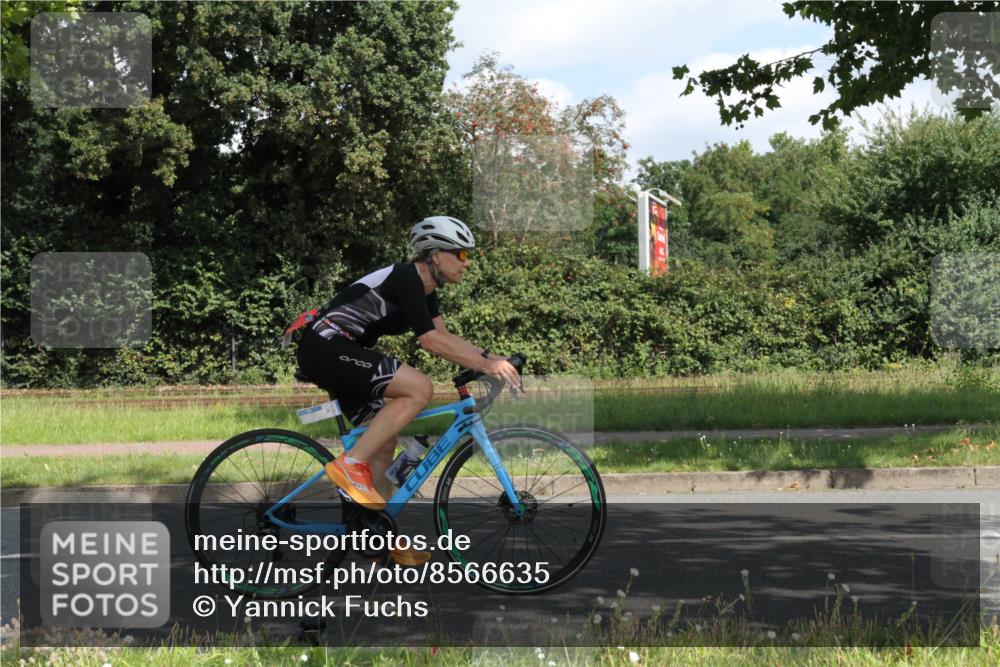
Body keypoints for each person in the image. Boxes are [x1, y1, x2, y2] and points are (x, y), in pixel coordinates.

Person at [295, 216, 521, 566]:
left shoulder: (427, 290)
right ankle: (349, 465)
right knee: (419, 388)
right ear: (435, 254)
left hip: (341, 350)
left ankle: (378, 538)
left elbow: (444, 336)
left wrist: (491, 358)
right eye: (460, 254)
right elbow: (430, 342)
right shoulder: (406, 277)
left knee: (384, 445)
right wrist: (485, 365)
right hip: (327, 345)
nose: (467, 262)